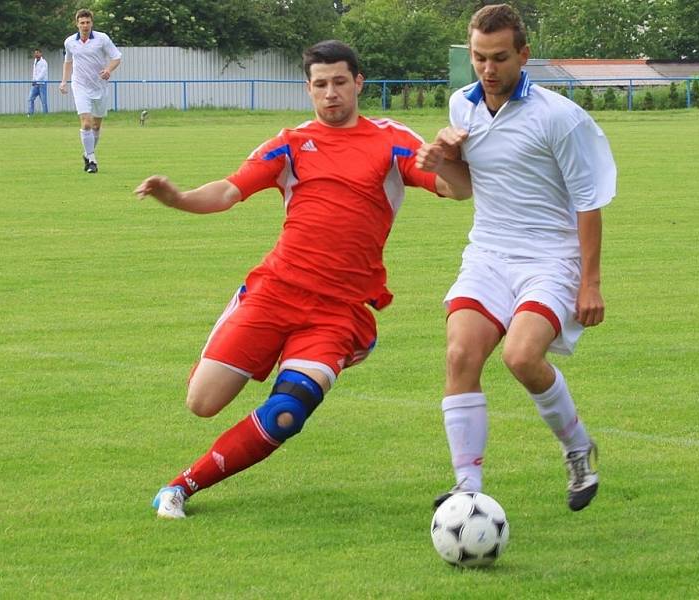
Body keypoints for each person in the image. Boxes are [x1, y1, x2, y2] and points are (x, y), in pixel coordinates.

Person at [135, 40, 471, 519]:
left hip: (337, 313)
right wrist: (178, 198)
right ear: (308, 88)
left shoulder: (392, 140)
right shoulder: (290, 143)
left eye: (339, 82)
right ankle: (251, 344)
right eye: (320, 85)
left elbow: (455, 190)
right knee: (202, 402)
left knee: (286, 413)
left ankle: (180, 487)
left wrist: (450, 162)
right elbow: (229, 191)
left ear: (358, 82)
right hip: (275, 292)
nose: (331, 93)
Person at [417, 3, 616, 512]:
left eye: (500, 58)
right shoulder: (461, 106)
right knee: (461, 354)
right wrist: (443, 160)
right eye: (480, 58)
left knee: (522, 357)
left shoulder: (559, 117)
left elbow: (588, 201)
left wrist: (589, 283)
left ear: (524, 55)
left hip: (550, 257)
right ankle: (468, 490)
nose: (488, 69)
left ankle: (577, 450)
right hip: (487, 251)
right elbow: (460, 189)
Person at [59, 8, 121, 174]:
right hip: (80, 85)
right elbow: (68, 62)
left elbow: (117, 57)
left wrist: (108, 70)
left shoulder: (102, 39)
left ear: (92, 23)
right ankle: (92, 160)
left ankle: (87, 153)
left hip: (99, 86)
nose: (85, 25)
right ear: (77, 24)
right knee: (86, 122)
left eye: (87, 22)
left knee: (96, 125)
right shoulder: (70, 42)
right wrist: (64, 81)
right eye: (82, 23)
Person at [27, 49, 48, 116]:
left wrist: (36, 80)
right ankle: (30, 114)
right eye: (35, 53)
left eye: (38, 53)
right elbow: (34, 73)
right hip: (35, 84)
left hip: (42, 84)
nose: (36, 54)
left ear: (41, 53)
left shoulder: (44, 62)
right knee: (30, 98)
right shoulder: (35, 61)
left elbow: (43, 73)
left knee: (43, 101)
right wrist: (33, 80)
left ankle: (45, 115)